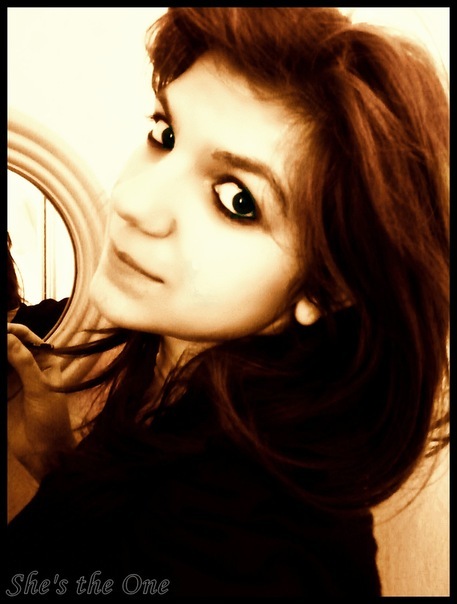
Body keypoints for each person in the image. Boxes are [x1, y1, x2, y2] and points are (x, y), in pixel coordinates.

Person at [6, 7, 449, 598]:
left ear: (327, 286)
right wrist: (59, 467)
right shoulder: (176, 395)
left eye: (237, 200)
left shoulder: (250, 550)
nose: (134, 201)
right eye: (165, 135)